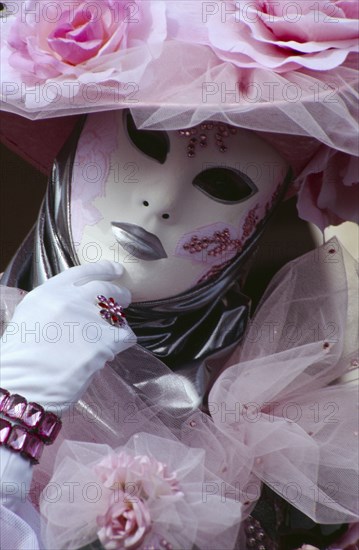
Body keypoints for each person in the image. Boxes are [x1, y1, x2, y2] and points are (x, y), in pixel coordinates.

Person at [0, 1, 358, 549]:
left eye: (225, 185)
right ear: (67, 156)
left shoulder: (271, 452)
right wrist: (16, 409)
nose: (161, 203)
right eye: (143, 143)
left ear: (259, 226)